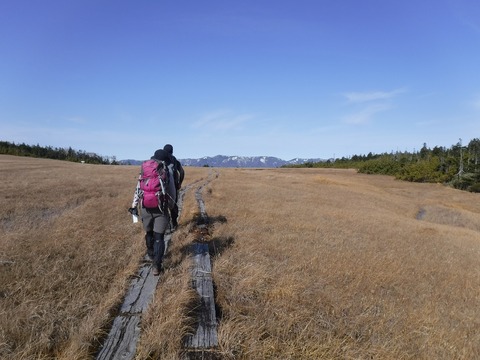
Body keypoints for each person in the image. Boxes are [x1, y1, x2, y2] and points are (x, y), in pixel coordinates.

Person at [129, 149, 175, 276]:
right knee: (159, 238)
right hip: (161, 209)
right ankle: (156, 266)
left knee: (149, 232)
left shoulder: (145, 170)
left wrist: (134, 205)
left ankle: (150, 252)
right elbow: (171, 191)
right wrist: (170, 207)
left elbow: (138, 189)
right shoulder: (166, 171)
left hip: (145, 208)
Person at [163, 144, 185, 228]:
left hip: (160, 187)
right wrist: (179, 183)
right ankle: (174, 223)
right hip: (174, 187)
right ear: (172, 151)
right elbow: (182, 172)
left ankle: (166, 224)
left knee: (163, 205)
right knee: (173, 204)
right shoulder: (174, 160)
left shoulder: (159, 160)